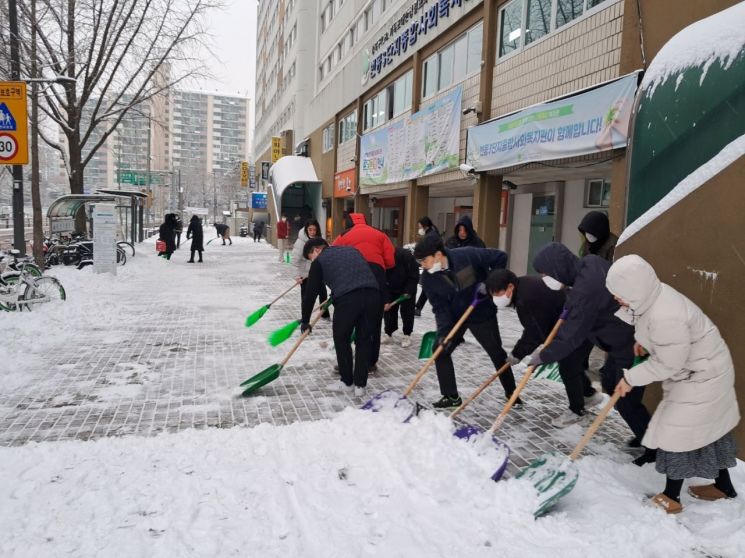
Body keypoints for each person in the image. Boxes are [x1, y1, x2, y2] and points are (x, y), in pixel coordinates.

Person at [608, 255, 739, 514]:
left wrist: (630, 378)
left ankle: (671, 497)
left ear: (635, 290)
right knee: (705, 430)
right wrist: (647, 345)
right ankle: (724, 487)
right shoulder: (652, 296)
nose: (615, 298)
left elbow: (669, 363)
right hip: (697, 368)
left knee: (675, 434)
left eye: (619, 293)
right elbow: (658, 334)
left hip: (702, 374)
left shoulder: (666, 314)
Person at [531, 243, 652, 457]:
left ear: (557, 268)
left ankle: (654, 449)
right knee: (609, 384)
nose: (544, 279)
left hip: (633, 345)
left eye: (545, 274)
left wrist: (544, 355)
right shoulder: (589, 263)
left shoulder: (585, 291)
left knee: (625, 400)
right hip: (621, 342)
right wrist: (571, 300)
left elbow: (572, 335)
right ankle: (646, 435)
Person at [485, 268, 604, 426]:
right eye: (492, 294)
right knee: (571, 364)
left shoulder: (526, 299)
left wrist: (518, 353)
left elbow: (535, 333)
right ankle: (588, 394)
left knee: (568, 366)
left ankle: (578, 411)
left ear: (510, 287)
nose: (496, 298)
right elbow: (539, 328)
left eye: (498, 293)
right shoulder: (522, 285)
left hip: (580, 323)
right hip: (574, 320)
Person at [413, 235, 517, 408]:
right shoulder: (428, 279)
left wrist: (490, 283)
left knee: (496, 353)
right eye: (419, 262)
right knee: (440, 349)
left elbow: (501, 257)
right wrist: (444, 334)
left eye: (424, 260)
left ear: (438, 255)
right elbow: (440, 308)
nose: (422, 266)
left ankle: (512, 393)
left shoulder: (466, 255)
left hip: (481, 312)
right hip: (455, 317)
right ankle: (451, 396)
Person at [301, 237, 381, 397]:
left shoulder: (319, 261)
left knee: (342, 338)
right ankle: (360, 386)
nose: (312, 262)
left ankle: (347, 382)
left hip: (349, 300)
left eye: (310, 258)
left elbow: (311, 293)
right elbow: (355, 272)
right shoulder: (352, 250)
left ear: (316, 250)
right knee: (364, 340)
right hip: (373, 296)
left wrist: (305, 321)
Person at [333, 213, 395, 373]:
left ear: (348, 223)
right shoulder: (380, 235)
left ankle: (344, 362)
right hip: (376, 277)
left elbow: (332, 257)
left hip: (351, 277)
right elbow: (390, 261)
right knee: (373, 323)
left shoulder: (343, 235)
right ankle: (369, 363)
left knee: (346, 322)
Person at [383, 246, 419, 348]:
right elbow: (381, 279)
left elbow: (414, 275)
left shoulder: (406, 256)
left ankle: (407, 334)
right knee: (389, 311)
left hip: (407, 286)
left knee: (407, 311)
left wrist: (408, 291)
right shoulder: (382, 259)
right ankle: (388, 333)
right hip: (390, 286)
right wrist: (385, 299)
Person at [292, 219, 329, 317]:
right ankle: (304, 317)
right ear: (306, 230)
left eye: (314, 230)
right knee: (306, 297)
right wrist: (297, 276)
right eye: (310, 230)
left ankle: (324, 313)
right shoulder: (300, 242)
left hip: (318, 273)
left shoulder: (319, 241)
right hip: (305, 275)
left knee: (323, 294)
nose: (312, 232)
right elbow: (295, 261)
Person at [414, 216, 440, 317]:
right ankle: (418, 307)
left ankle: (419, 307)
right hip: (432, 262)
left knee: (429, 286)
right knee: (428, 286)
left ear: (425, 226)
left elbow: (427, 248)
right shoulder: (432, 233)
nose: (419, 229)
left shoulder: (431, 235)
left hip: (433, 263)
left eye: (420, 226)